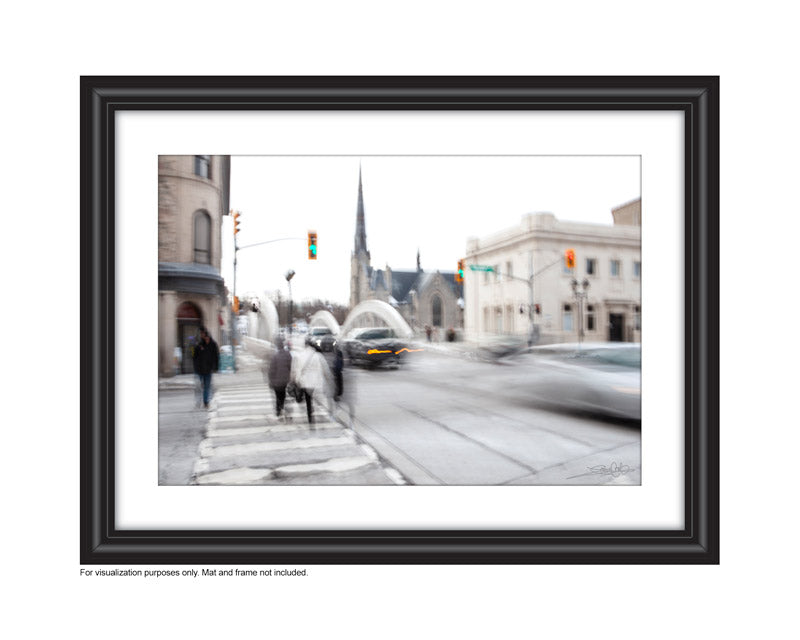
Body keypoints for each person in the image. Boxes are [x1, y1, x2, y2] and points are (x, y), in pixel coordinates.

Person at [291, 341, 333, 426]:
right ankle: (314, 411)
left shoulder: (301, 355)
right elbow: (325, 369)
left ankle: (310, 414)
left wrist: (296, 380)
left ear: (305, 346)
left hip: (304, 382)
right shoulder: (318, 355)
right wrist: (329, 379)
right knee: (314, 397)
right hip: (315, 382)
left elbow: (297, 369)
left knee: (308, 399)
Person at [192, 326, 219, 409]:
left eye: (203, 334)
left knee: (207, 387)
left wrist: (215, 367)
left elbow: (216, 356)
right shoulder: (198, 344)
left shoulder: (213, 344)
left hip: (208, 370)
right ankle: (198, 402)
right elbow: (193, 356)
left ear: (207, 335)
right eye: (201, 334)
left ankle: (206, 402)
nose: (202, 336)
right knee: (198, 387)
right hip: (199, 370)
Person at [268, 337, 293, 422]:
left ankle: (279, 412)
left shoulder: (275, 356)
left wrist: (271, 381)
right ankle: (283, 410)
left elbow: (272, 370)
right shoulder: (288, 355)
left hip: (276, 382)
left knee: (278, 397)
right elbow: (291, 367)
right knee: (283, 396)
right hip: (285, 380)